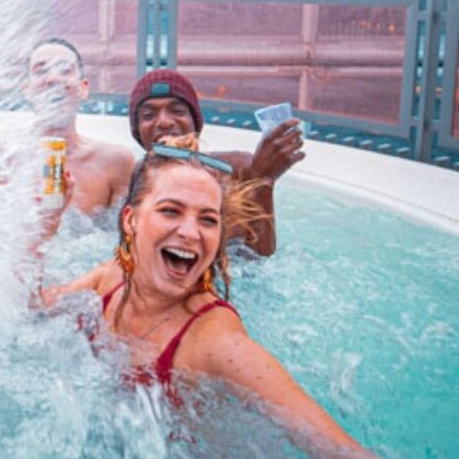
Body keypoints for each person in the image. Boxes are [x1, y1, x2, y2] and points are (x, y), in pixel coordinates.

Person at [42, 137, 367, 456]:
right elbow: (34, 307)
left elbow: (340, 449)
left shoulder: (216, 344)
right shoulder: (112, 277)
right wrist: (44, 227)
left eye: (208, 219)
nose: (190, 231)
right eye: (171, 211)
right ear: (131, 220)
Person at [128, 69, 304, 256]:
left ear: (195, 123)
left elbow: (258, 263)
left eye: (178, 111)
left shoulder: (236, 169)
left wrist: (264, 181)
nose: (163, 122)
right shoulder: (140, 176)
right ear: (138, 132)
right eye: (148, 116)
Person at [26, 37, 135, 217]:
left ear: (83, 88)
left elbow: (124, 238)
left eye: (64, 70)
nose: (53, 78)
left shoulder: (115, 162)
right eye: (41, 70)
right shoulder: (2, 161)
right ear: (28, 90)